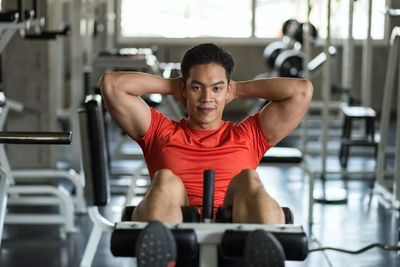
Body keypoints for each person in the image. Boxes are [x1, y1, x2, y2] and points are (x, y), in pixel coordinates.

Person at [101, 43, 313, 267]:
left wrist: (238, 89)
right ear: (184, 89)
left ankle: (264, 252)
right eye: (197, 88)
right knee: (165, 179)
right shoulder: (159, 132)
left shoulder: (249, 135)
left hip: (237, 239)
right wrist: (174, 86)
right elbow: (112, 84)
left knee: (248, 179)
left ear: (227, 91)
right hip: (173, 238)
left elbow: (301, 90)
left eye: (217, 89)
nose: (207, 98)